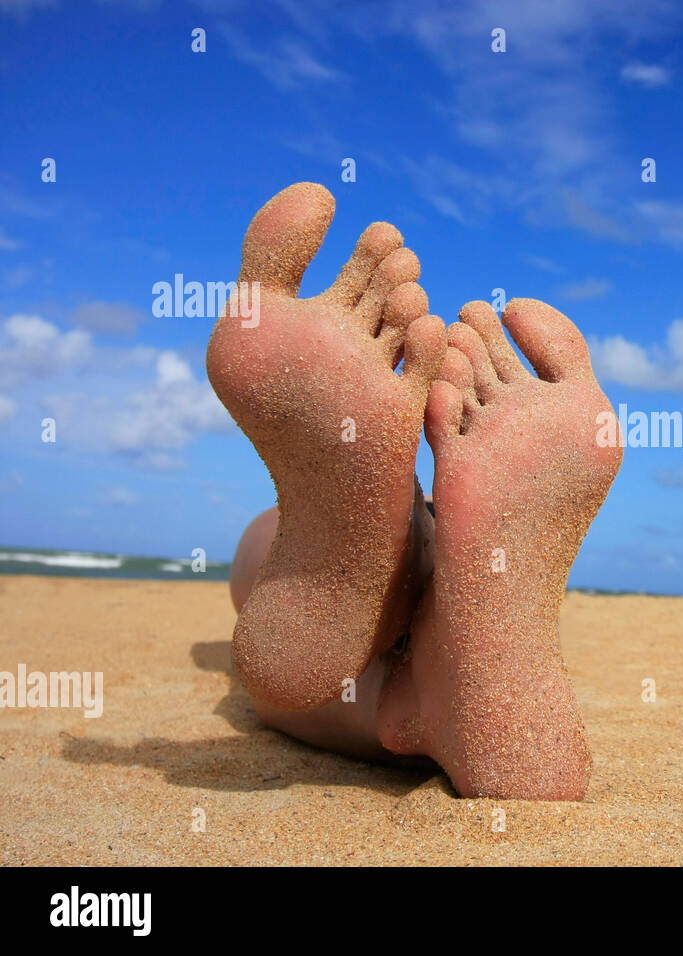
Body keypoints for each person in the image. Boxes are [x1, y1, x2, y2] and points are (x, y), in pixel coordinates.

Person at [207, 183, 622, 800]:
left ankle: (409, 549)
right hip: (459, 604)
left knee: (258, 569)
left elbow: (281, 668)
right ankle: (449, 676)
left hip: (370, 628)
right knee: (306, 665)